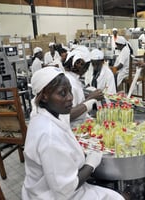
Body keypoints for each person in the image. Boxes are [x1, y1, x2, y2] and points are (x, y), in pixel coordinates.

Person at [22, 67, 124, 200]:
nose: (70, 97)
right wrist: (91, 163)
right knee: (117, 197)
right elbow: (65, 190)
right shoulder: (49, 136)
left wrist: (89, 102)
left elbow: (67, 117)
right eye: (62, 93)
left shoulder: (42, 114)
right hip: (54, 196)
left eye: (70, 91)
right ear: (45, 96)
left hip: (41, 189)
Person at [64, 51, 104, 127]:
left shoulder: (73, 79)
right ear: (78, 64)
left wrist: (88, 96)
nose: (87, 69)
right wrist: (91, 98)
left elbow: (76, 101)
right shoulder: (70, 83)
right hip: (73, 126)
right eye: (87, 66)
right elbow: (67, 115)